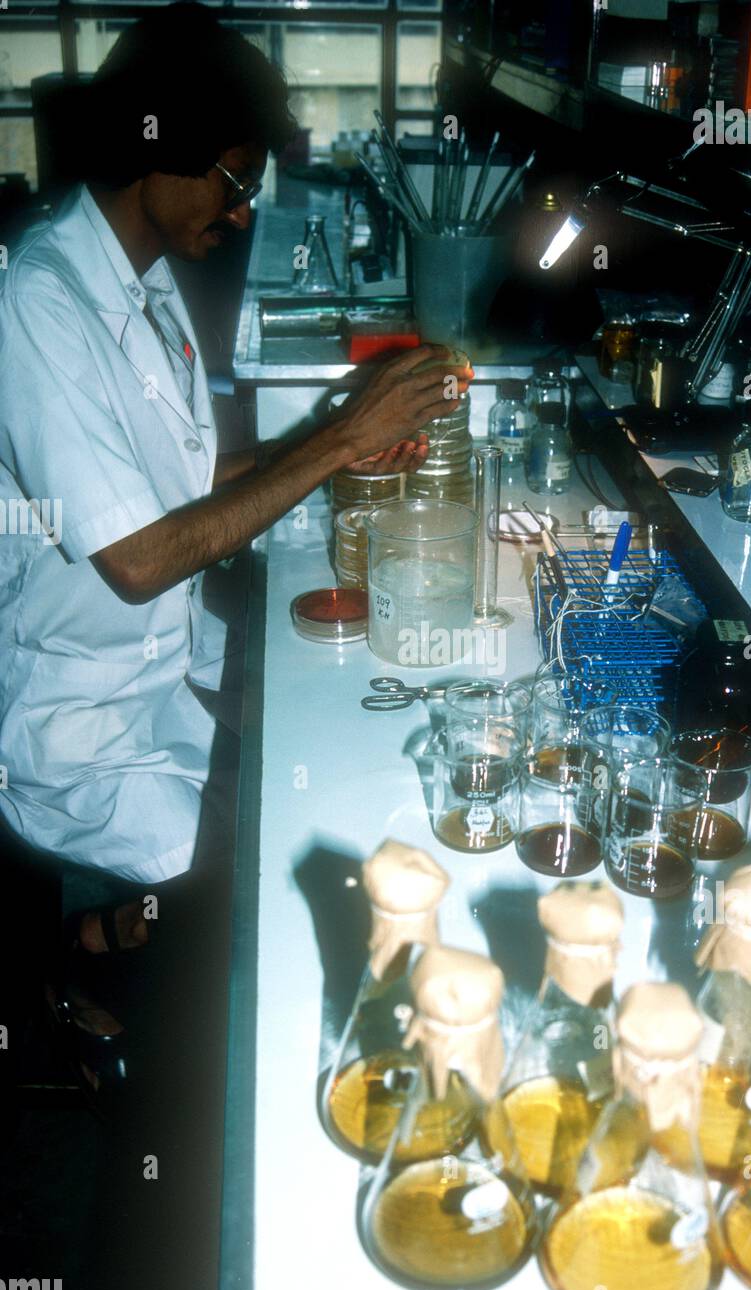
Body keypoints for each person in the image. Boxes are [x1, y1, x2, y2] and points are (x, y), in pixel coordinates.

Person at [0, 5, 471, 1083]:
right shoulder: (36, 298)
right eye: (233, 178)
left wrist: (336, 446)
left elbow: (172, 483)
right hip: (72, 721)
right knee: (265, 862)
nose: (242, 209)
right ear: (159, 151)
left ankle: (94, 945)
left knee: (323, 758)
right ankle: (100, 985)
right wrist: (337, 439)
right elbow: (138, 559)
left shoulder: (142, 273)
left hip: (156, 674)